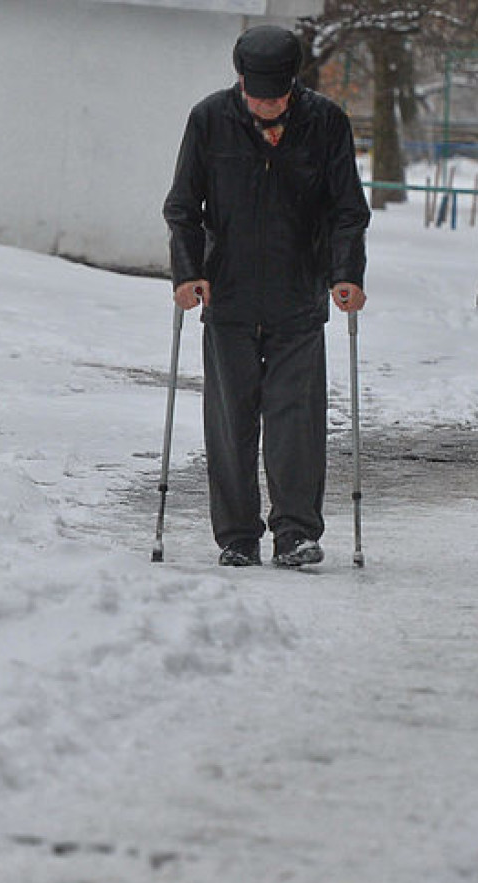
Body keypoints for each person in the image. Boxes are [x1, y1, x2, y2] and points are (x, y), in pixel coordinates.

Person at [163, 25, 370, 568]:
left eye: (277, 97)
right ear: (240, 82)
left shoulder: (325, 122)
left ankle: (296, 532)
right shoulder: (209, 120)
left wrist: (345, 272)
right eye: (258, 96)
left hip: (298, 298)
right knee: (230, 421)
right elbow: (183, 208)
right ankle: (236, 535)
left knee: (295, 420)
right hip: (227, 297)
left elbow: (348, 209)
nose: (268, 106)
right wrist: (187, 274)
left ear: (293, 85)